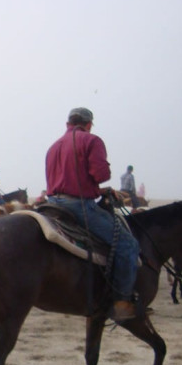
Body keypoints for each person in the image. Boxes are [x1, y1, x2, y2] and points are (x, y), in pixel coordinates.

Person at [45, 107, 140, 322]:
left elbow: (66, 180)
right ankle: (123, 303)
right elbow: (101, 174)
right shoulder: (91, 140)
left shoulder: (53, 146)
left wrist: (99, 191)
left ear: (68, 123)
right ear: (88, 124)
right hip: (78, 206)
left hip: (53, 204)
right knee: (128, 245)